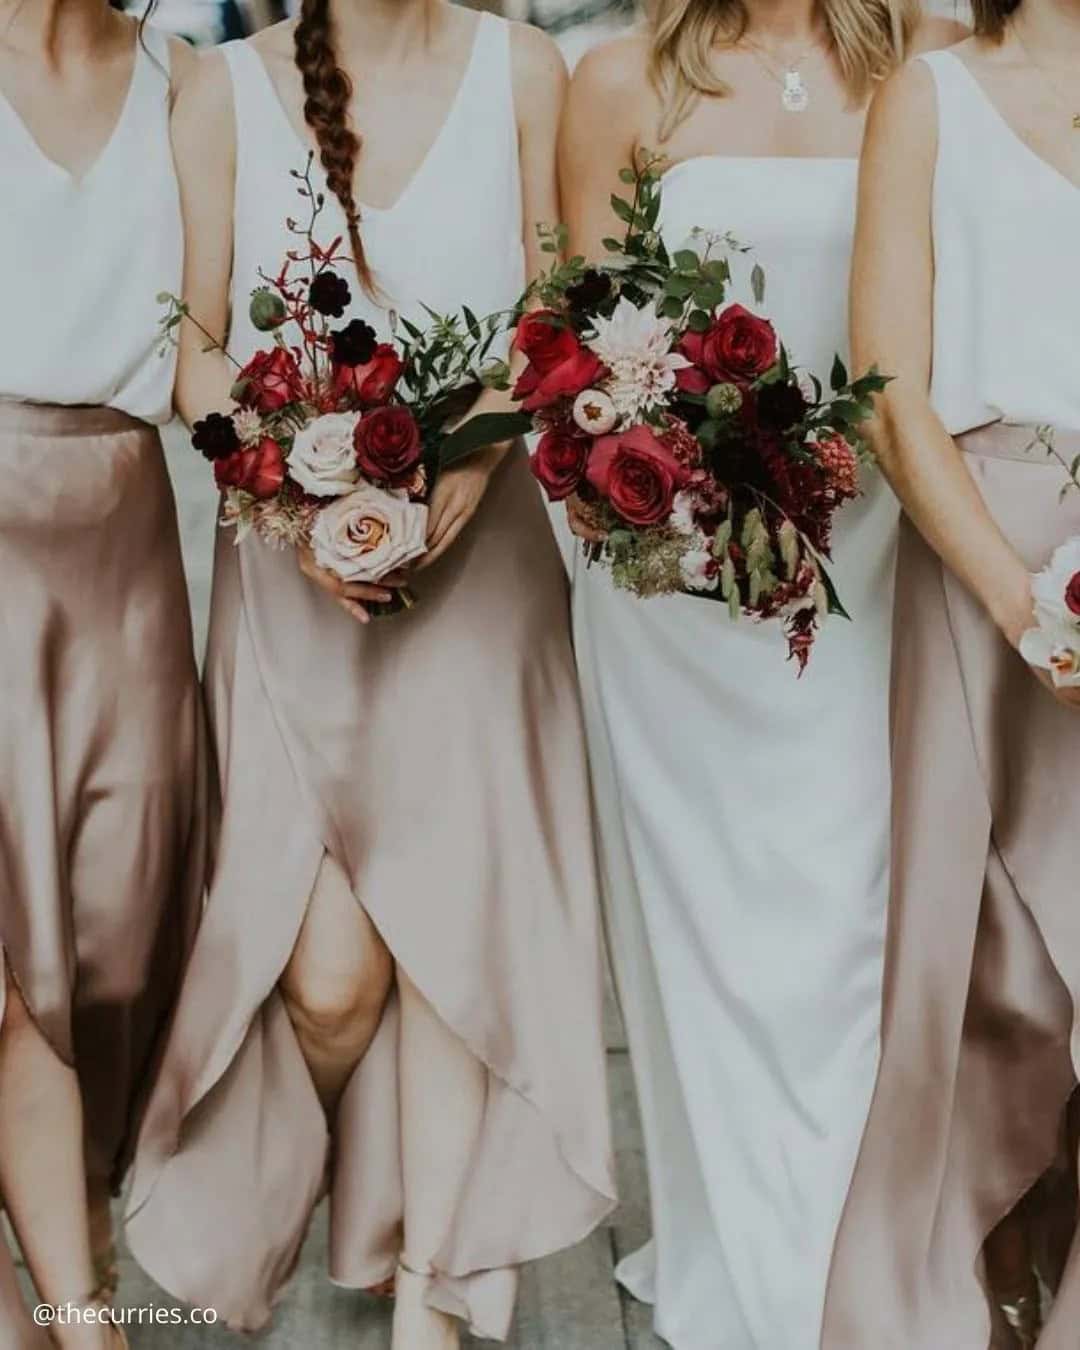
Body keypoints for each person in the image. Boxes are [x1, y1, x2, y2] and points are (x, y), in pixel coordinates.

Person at [124, 5, 616, 1348]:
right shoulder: (222, 87)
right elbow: (199, 353)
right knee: (330, 979)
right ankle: (304, 1216)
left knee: (460, 928)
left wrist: (469, 465)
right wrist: (289, 506)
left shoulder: (524, 68)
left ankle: (432, 1298)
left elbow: (553, 311)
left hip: (482, 569)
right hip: (297, 581)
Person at [557, 0, 963, 1344]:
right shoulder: (620, 82)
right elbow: (585, 364)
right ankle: (752, 1261)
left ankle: (861, 1267)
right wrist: (670, 507)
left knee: (855, 913)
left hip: (877, 556)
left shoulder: (927, 64)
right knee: (713, 937)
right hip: (682, 597)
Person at [821, 2, 1080, 1344]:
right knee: (999, 975)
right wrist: (1018, 598)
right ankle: (988, 1258)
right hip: (987, 562)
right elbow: (889, 390)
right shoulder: (930, 95)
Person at [0, 5, 205, 1345]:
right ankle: (74, 1319)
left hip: (125, 551)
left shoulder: (186, 82)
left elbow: (220, 334)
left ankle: (68, 1266)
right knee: (12, 981)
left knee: (115, 953)